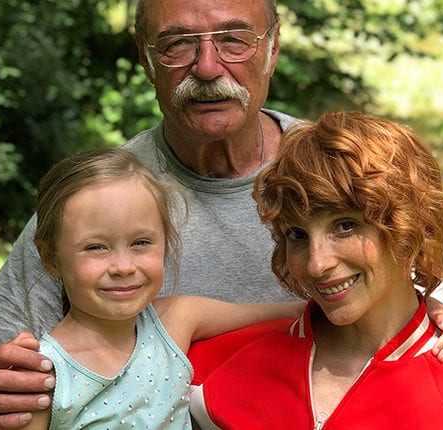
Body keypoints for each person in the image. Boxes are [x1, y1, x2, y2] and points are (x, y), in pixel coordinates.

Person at [0, 0, 443, 428]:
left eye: (234, 39)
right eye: (178, 44)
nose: (208, 68)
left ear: (272, 49)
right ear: (146, 58)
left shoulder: (334, 171)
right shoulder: (101, 200)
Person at [188, 111, 443, 429]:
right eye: (297, 234)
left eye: (345, 225)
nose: (317, 264)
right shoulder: (215, 364)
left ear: (412, 227)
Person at [23, 147, 306, 428]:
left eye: (140, 242)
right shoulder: (42, 374)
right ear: (51, 258)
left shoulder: (174, 320)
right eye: (95, 247)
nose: (123, 267)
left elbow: (295, 313)